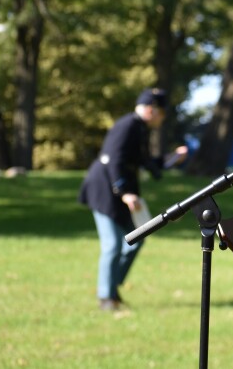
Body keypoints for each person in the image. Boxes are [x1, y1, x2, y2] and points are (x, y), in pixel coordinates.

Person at [78, 88, 188, 311]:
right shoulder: (127, 125)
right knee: (113, 246)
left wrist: (172, 159)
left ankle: (111, 287)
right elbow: (112, 160)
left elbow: (144, 161)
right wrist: (124, 192)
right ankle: (106, 299)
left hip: (123, 191)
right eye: (161, 113)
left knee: (136, 239)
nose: (163, 118)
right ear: (150, 110)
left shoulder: (140, 128)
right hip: (105, 190)